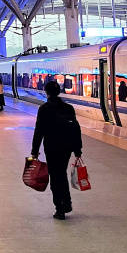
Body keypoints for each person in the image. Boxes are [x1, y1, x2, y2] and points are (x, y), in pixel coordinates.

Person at [30, 80, 83, 220]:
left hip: (51, 148)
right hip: (66, 148)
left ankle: (60, 208)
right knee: (61, 174)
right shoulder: (68, 108)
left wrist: (34, 151)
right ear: (59, 92)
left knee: (55, 176)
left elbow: (39, 131)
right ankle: (67, 203)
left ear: (46, 93)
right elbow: (75, 130)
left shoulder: (44, 109)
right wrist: (77, 150)